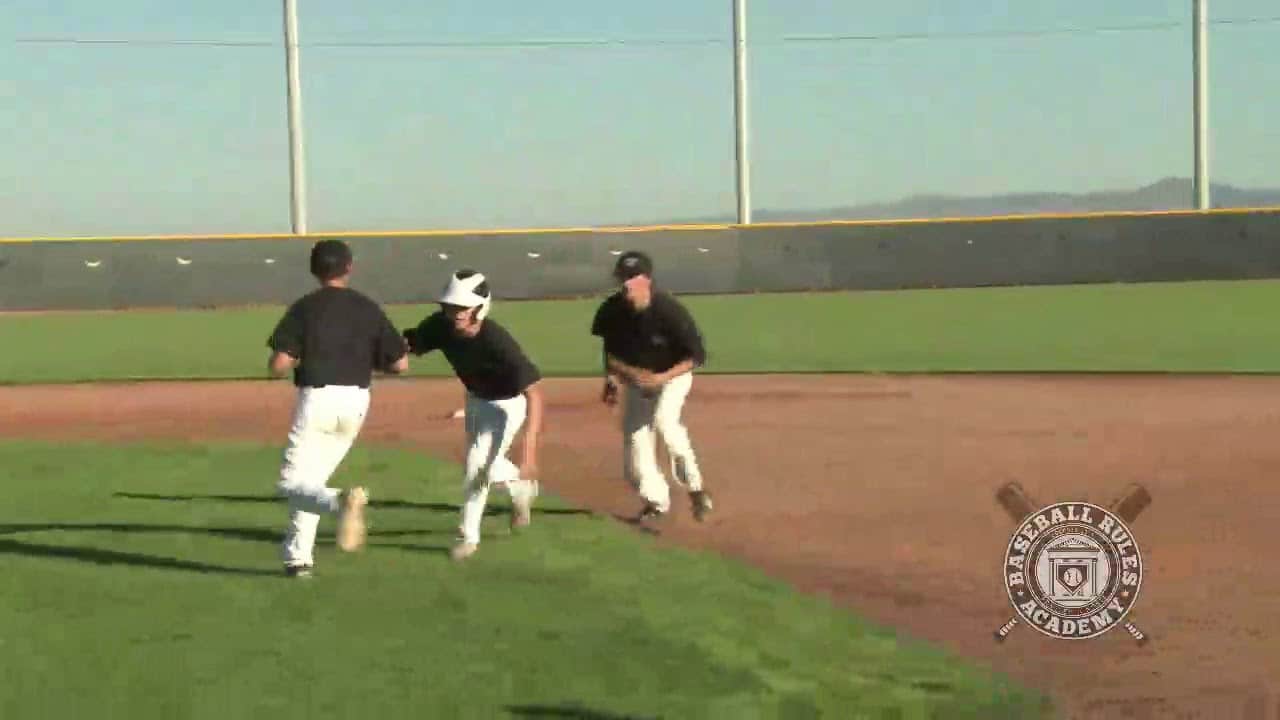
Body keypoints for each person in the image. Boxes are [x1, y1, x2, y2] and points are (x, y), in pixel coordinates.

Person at [266, 239, 410, 578]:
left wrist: (295, 356)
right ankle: (298, 559)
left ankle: (339, 502)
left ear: (314, 270)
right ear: (349, 267)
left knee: (289, 484)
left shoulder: (305, 308)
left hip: (317, 400)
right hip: (357, 403)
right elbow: (400, 363)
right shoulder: (368, 307)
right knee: (310, 481)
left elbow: (279, 364)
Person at [401, 269, 544, 561]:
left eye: (463, 307)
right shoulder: (439, 326)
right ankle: (520, 489)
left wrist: (529, 453)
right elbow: (410, 346)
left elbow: (536, 396)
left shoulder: (498, 342)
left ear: (480, 307)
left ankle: (468, 537)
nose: (456, 313)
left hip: (508, 406)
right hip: (476, 401)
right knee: (484, 466)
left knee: (476, 465)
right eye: (451, 306)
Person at [590, 250, 713, 522]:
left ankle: (695, 488)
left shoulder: (669, 311)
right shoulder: (612, 310)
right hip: (636, 381)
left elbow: (697, 356)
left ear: (647, 279)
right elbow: (609, 348)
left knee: (665, 422)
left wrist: (661, 378)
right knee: (635, 446)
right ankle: (656, 502)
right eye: (622, 278)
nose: (625, 284)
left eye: (632, 278)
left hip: (673, 377)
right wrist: (610, 378)